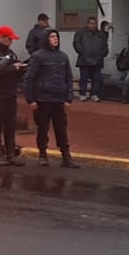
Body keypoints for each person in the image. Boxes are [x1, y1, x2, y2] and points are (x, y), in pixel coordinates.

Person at [22, 29, 77, 168]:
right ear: (46, 39)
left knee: (61, 128)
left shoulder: (63, 57)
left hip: (59, 99)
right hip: (43, 99)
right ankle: (42, 154)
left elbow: (68, 78)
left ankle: (66, 156)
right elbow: (29, 78)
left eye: (56, 36)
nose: (55, 39)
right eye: (52, 37)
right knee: (43, 128)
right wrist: (31, 99)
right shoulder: (38, 57)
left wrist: (69, 97)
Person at [0, 25, 26, 166]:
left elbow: (11, 72)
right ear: (1, 37)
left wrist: (20, 69)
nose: (11, 41)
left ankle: (10, 154)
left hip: (11, 92)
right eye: (9, 39)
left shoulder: (11, 53)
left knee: (10, 124)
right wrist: (12, 68)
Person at [72, 15, 110, 101]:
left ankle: (94, 94)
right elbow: (76, 44)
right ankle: (83, 94)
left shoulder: (101, 34)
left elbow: (105, 46)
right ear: (87, 23)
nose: (93, 26)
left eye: (95, 24)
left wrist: (101, 56)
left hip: (98, 60)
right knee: (84, 78)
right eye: (92, 24)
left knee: (97, 79)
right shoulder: (80, 33)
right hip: (84, 60)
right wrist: (84, 54)